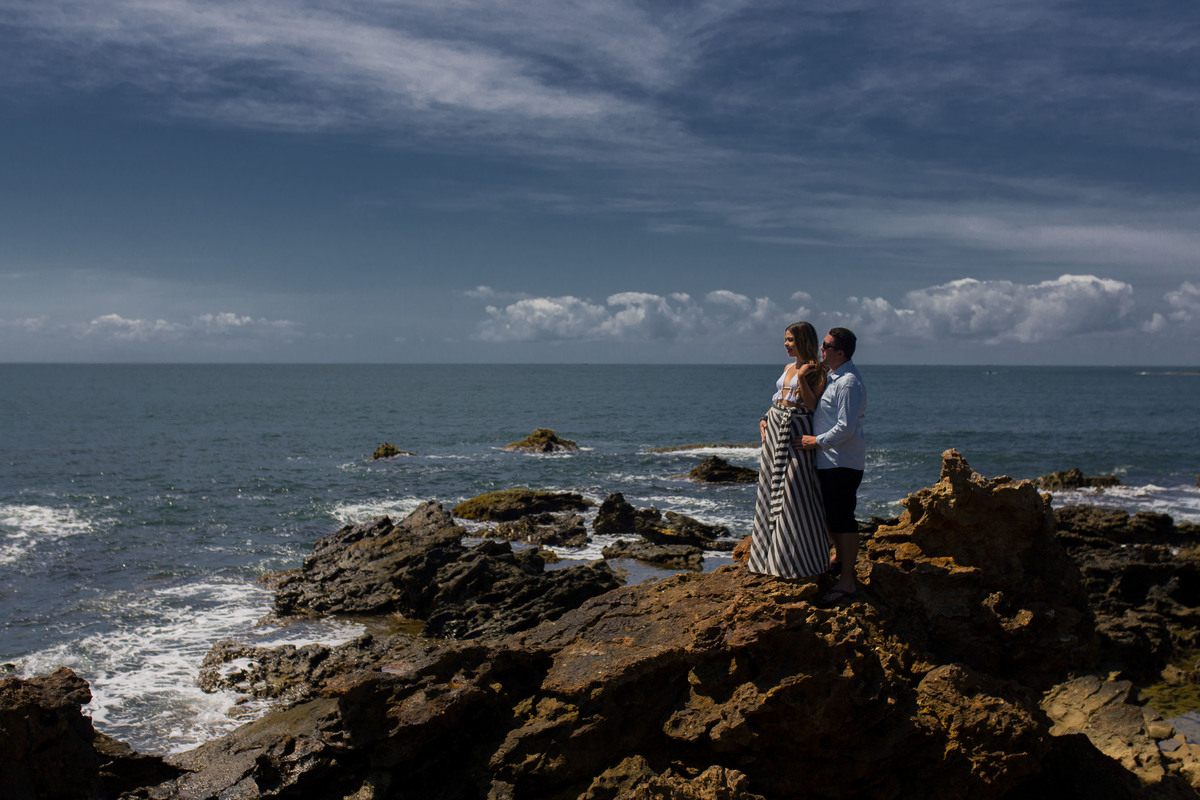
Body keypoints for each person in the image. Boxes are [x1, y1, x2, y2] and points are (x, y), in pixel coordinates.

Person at [747, 321, 831, 579]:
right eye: (785, 339)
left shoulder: (818, 371)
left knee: (796, 491)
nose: (786, 344)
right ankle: (769, 559)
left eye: (791, 340)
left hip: (796, 432)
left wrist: (804, 377)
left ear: (803, 341)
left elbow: (811, 404)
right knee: (771, 489)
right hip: (775, 430)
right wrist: (764, 417)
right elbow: (778, 400)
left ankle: (798, 562)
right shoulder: (787, 367)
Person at [800, 327, 867, 604]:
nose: (820, 350)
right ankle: (839, 559)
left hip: (843, 462)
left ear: (840, 352)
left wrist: (816, 440)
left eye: (825, 347)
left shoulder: (848, 382)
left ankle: (848, 581)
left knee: (843, 519)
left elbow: (846, 428)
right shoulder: (833, 377)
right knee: (831, 515)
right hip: (829, 461)